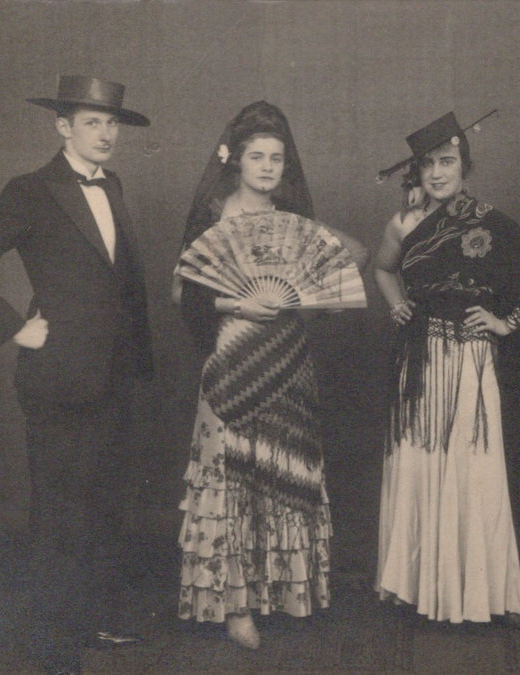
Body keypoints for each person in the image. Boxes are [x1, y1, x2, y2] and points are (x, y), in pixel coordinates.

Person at [0, 75, 153, 674]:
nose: (105, 133)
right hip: (58, 379)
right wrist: (14, 327)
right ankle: (54, 647)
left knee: (103, 503)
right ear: (62, 127)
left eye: (111, 122)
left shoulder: (113, 184)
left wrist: (135, 362)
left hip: (112, 377)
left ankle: (95, 623)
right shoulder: (30, 191)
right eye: (91, 122)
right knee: (61, 513)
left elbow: (117, 282)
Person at [175, 101, 366, 650]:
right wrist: (238, 303)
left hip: (288, 361)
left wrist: (311, 297)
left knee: (283, 475)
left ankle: (282, 594)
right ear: (235, 160)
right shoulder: (213, 218)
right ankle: (236, 607)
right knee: (234, 480)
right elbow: (181, 292)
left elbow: (353, 254)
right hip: (232, 360)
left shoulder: (294, 221)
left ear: (286, 165)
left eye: (276, 159)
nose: (266, 167)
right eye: (257, 157)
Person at [373, 112, 520, 627]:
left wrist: (504, 322)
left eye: (447, 161)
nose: (437, 173)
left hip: (471, 361)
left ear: (464, 165)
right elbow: (383, 269)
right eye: (427, 164)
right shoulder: (403, 223)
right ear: (416, 171)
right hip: (420, 360)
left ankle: (482, 594)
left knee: (473, 471)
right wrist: (396, 304)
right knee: (420, 465)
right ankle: (417, 590)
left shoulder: (490, 222)